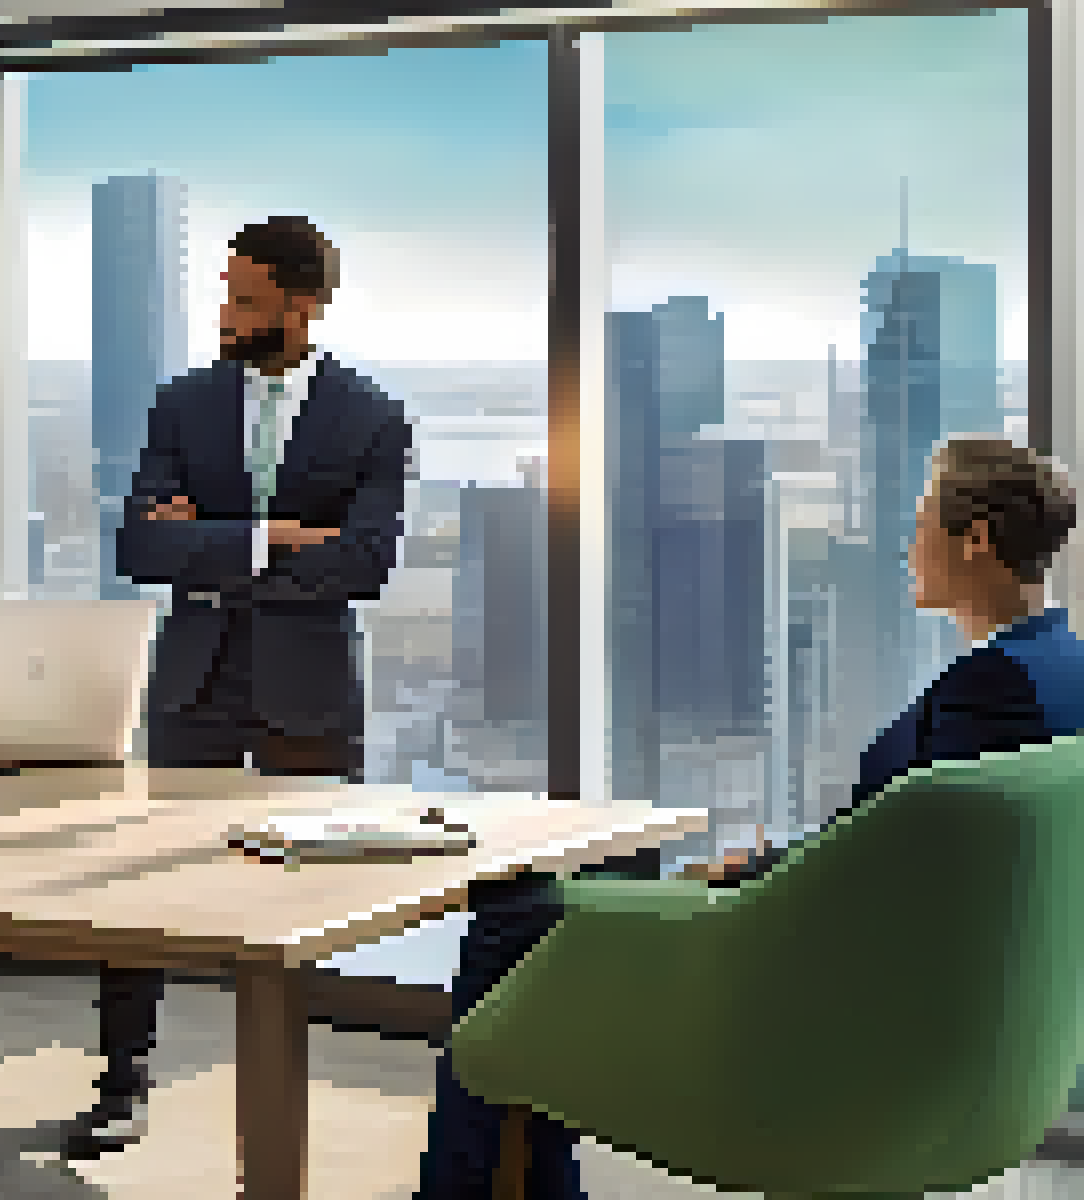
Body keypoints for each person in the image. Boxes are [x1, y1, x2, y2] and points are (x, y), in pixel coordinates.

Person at [414, 435, 1084, 1199]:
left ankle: (465, 1190)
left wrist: (765, 877)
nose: (909, 544)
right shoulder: (1063, 670)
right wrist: (776, 867)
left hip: (834, 1011)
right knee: (587, 886)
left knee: (512, 917)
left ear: (976, 542)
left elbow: (914, 869)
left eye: (924, 520)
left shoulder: (993, 689)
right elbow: (911, 854)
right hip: (941, 1012)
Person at [69, 215, 416, 1160]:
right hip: (195, 680)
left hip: (309, 689)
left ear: (304, 304)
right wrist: (274, 539)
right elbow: (140, 548)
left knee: (299, 905)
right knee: (136, 891)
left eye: (247, 297)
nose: (227, 309)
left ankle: (279, 1090)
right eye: (225, 290)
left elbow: (365, 566)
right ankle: (121, 1082)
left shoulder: (372, 414)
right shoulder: (182, 403)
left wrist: (212, 543)